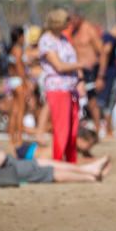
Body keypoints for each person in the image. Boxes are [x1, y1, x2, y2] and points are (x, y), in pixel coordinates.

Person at [0, 96, 109, 184]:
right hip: (1, 170)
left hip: (6, 164)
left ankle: (88, 170)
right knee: (47, 172)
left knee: (42, 163)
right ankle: (89, 176)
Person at [39, 9, 85, 162]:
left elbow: (71, 62)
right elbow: (58, 66)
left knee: (73, 129)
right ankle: (58, 161)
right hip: (57, 89)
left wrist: (80, 80)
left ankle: (71, 161)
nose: (69, 23)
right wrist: (81, 64)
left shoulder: (64, 39)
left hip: (71, 88)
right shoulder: (46, 40)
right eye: (66, 20)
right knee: (61, 129)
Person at [67, 10, 106, 126]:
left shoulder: (89, 30)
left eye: (72, 19)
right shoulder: (73, 31)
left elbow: (102, 52)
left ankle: (98, 129)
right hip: (78, 70)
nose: (71, 22)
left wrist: (101, 76)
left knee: (92, 102)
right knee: (77, 100)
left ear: (79, 17)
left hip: (91, 70)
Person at [98, 23, 116, 137]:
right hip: (109, 74)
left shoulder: (105, 36)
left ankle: (106, 128)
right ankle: (108, 129)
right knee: (109, 102)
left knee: (106, 103)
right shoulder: (112, 39)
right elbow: (106, 52)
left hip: (107, 73)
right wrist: (102, 73)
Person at [6, 26, 29, 148]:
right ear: (20, 37)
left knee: (14, 110)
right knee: (21, 110)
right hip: (18, 81)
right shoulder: (18, 50)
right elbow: (20, 67)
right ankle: (19, 137)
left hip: (11, 81)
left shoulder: (11, 49)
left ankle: (11, 137)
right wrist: (25, 83)